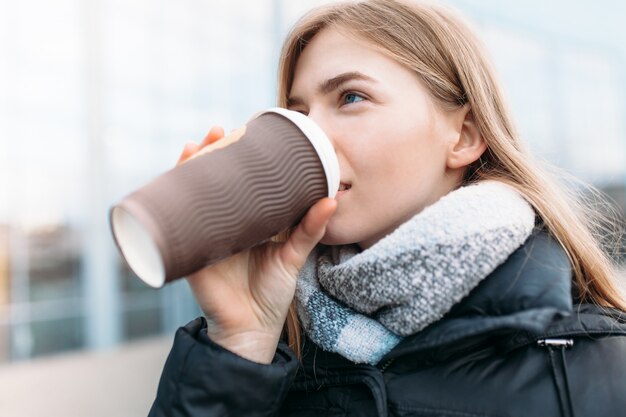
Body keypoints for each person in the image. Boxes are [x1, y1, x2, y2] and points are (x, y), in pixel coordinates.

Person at [148, 1, 626, 416]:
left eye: (352, 97)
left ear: (463, 136)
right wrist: (238, 346)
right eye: (299, 114)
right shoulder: (267, 358)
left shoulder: (596, 369)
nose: (313, 135)